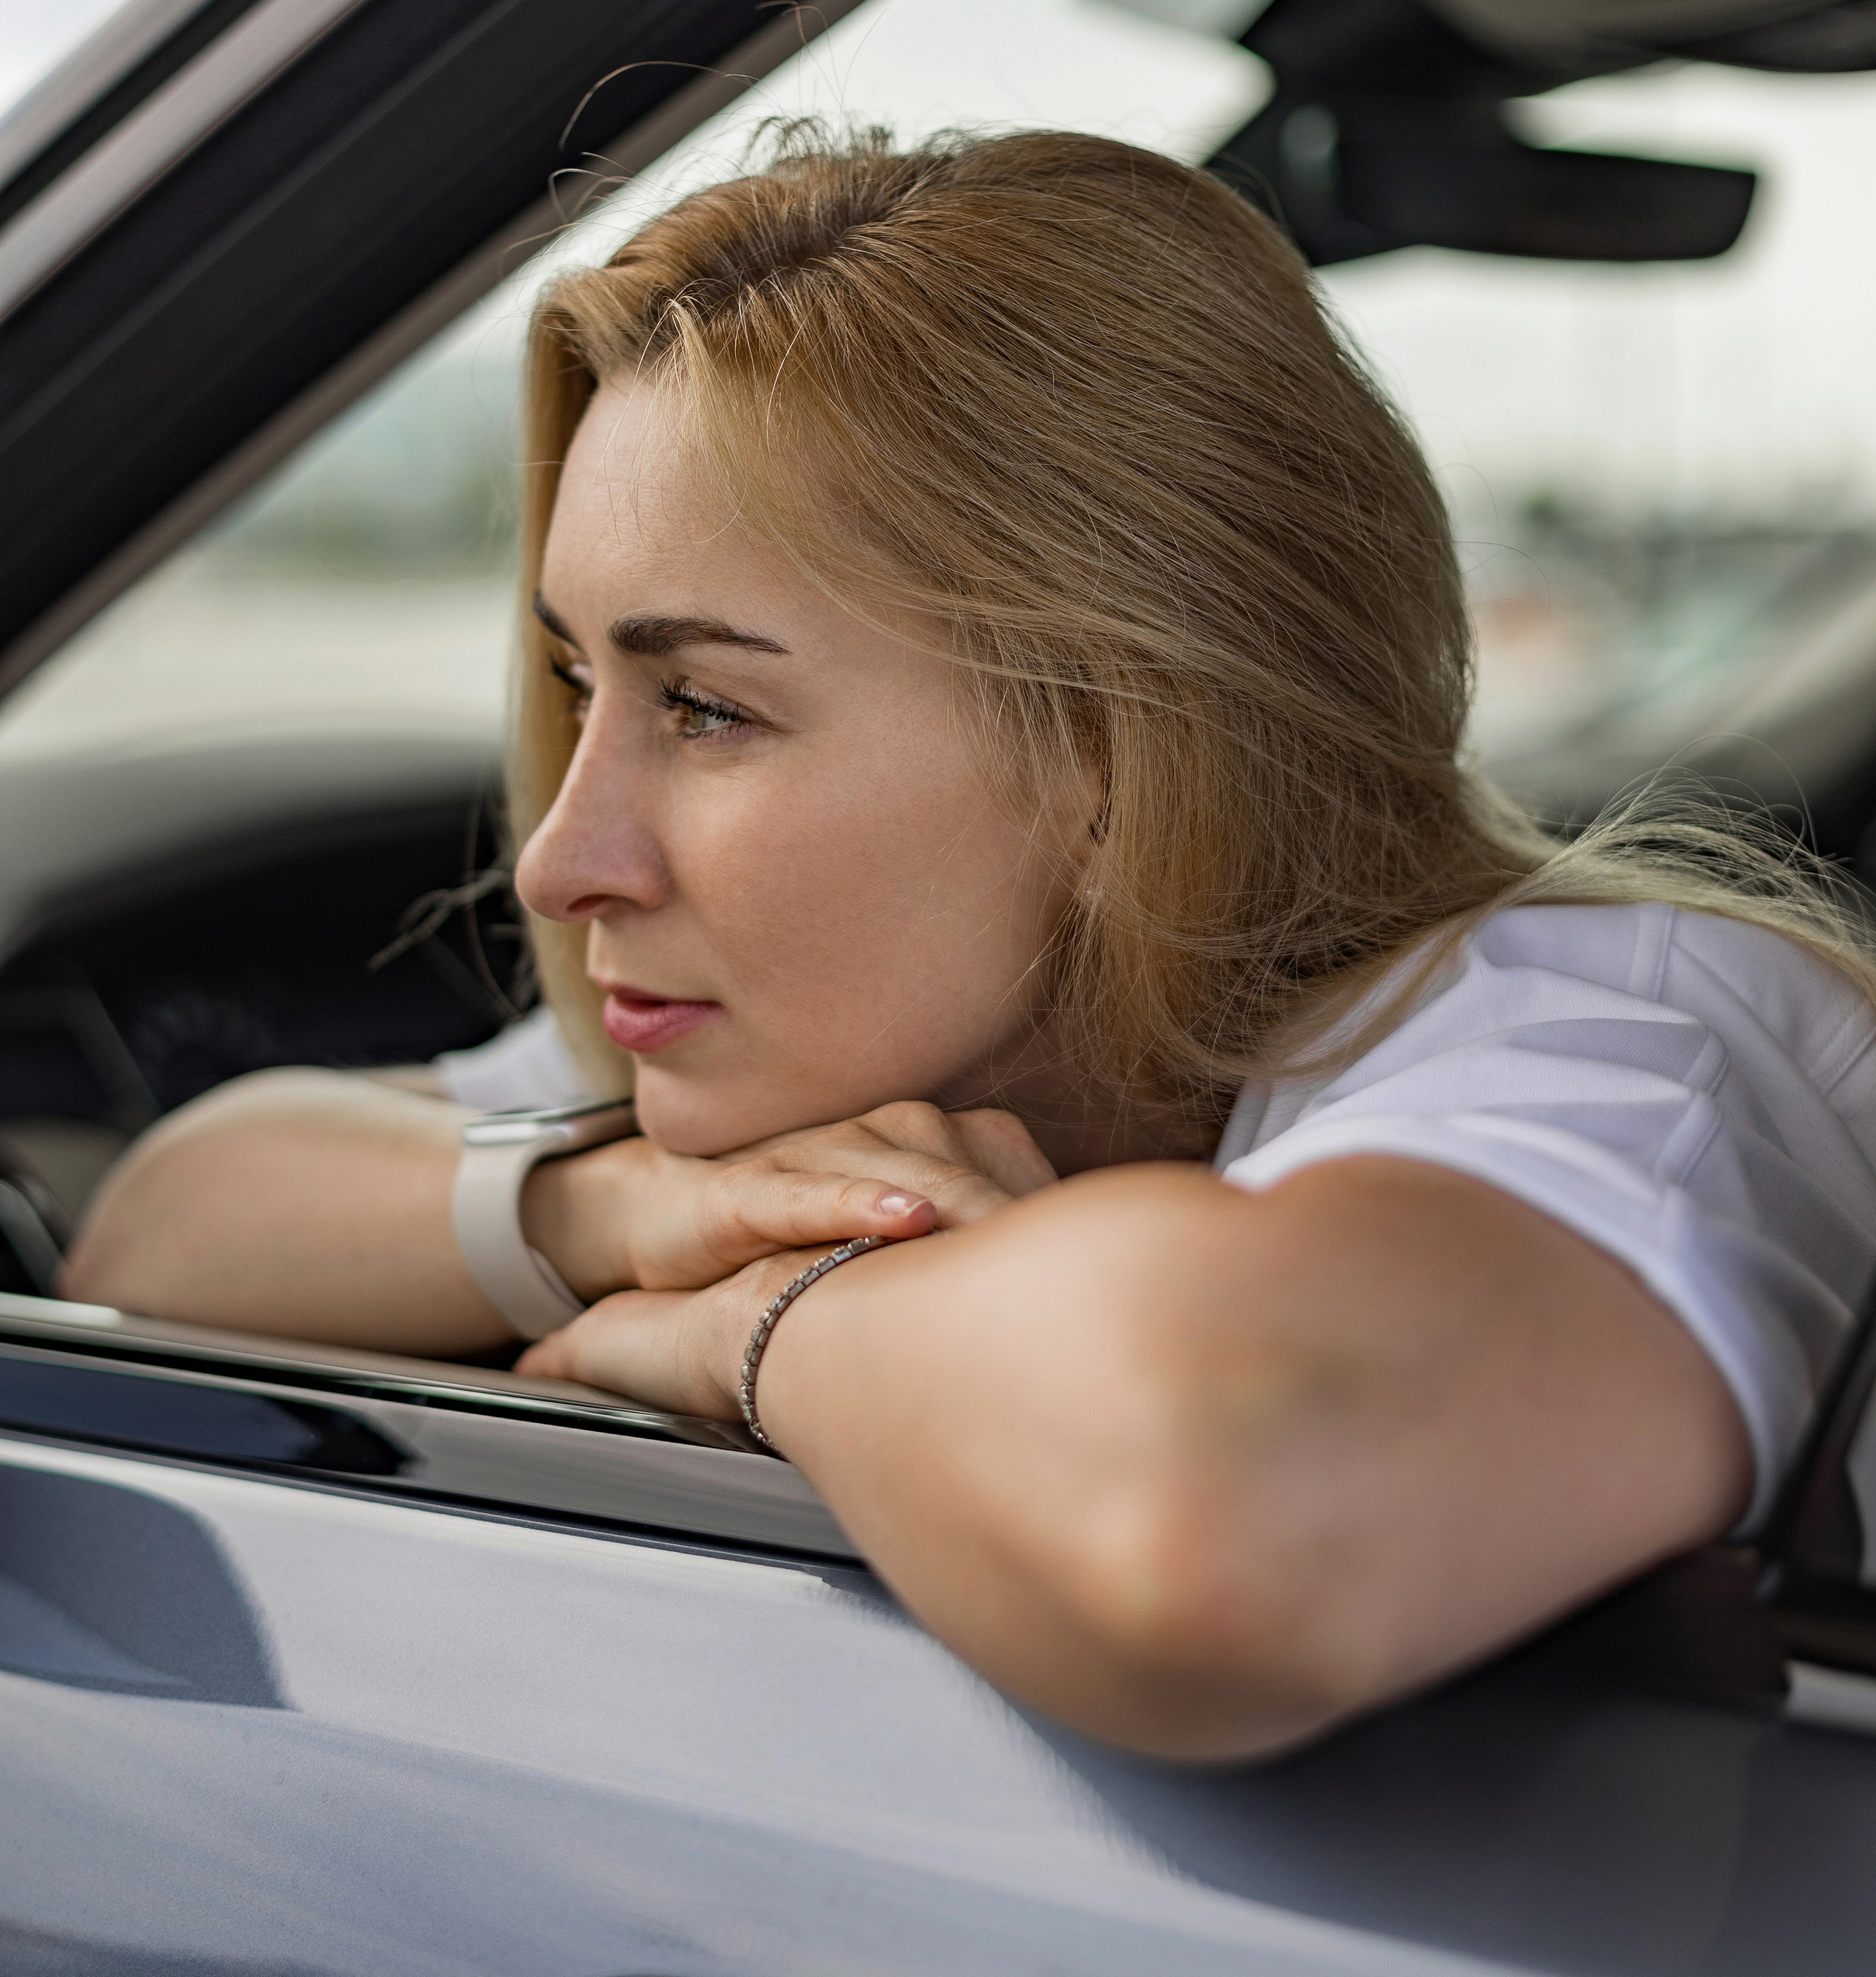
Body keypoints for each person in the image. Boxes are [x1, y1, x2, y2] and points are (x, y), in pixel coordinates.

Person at [66, 128, 1876, 1760]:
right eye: (576, 680)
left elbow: (1229, 1513)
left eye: (702, 707)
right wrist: (594, 1216)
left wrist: (765, 1324)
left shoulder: (1629, 1039)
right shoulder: (818, 1062)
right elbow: (167, 1226)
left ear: (1106, 751)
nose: (560, 857)